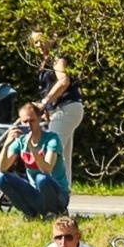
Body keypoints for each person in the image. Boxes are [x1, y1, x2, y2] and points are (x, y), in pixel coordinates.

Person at [0, 102, 67, 218]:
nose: (28, 126)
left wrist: (32, 148)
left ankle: (54, 213)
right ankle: (30, 214)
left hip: (58, 195)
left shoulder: (52, 139)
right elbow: (2, 168)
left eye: (32, 121)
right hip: (36, 193)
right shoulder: (20, 141)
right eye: (24, 122)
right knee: (1, 177)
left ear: (39, 119)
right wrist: (6, 145)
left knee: (41, 178)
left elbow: (46, 169)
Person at [39, 50, 84, 191]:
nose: (38, 45)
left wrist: (45, 102)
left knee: (51, 152)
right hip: (61, 110)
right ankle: (63, 195)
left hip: (66, 109)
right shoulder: (46, 60)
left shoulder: (58, 58)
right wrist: (48, 108)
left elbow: (64, 81)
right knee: (63, 157)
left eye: (40, 40)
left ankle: (51, 194)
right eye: (35, 42)